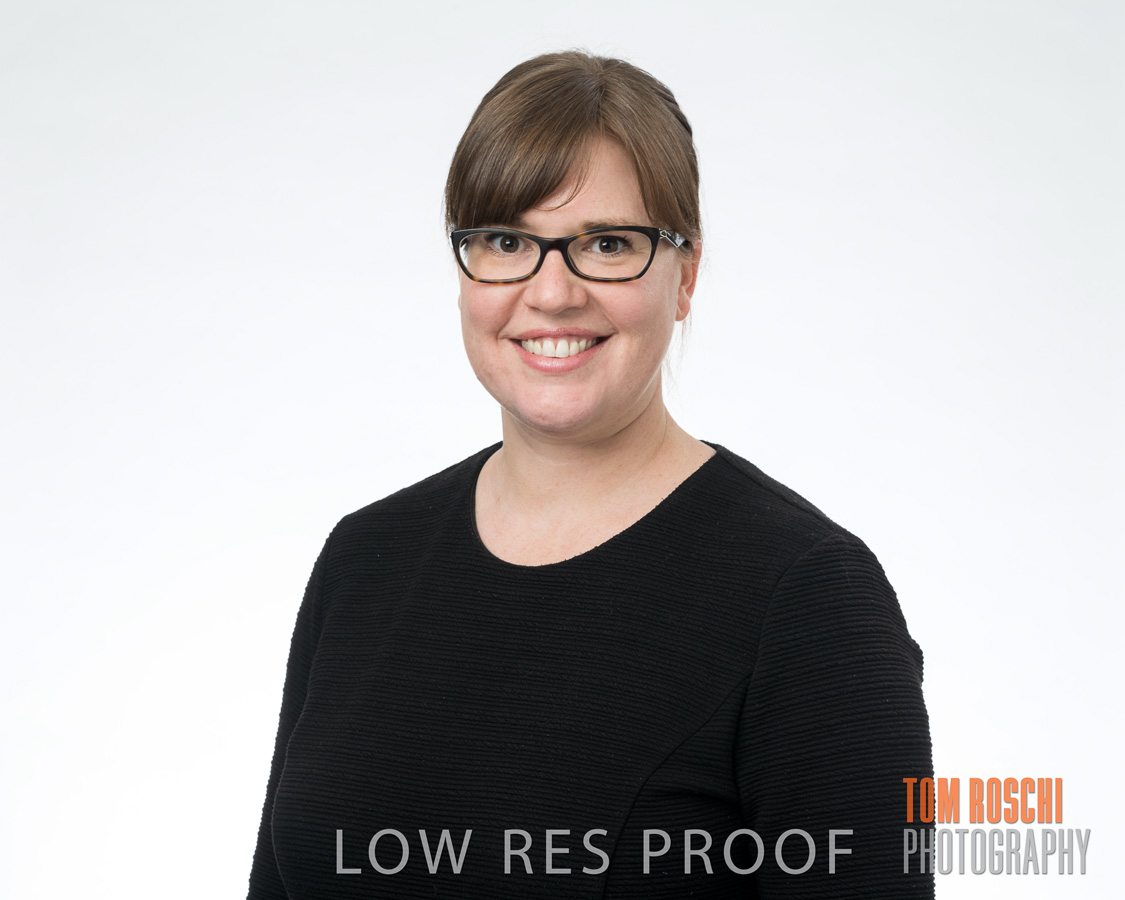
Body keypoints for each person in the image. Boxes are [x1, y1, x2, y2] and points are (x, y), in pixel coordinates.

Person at [247, 51, 933, 898]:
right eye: (505, 242)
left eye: (607, 244)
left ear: (684, 275)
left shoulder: (807, 596)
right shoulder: (363, 558)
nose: (551, 293)